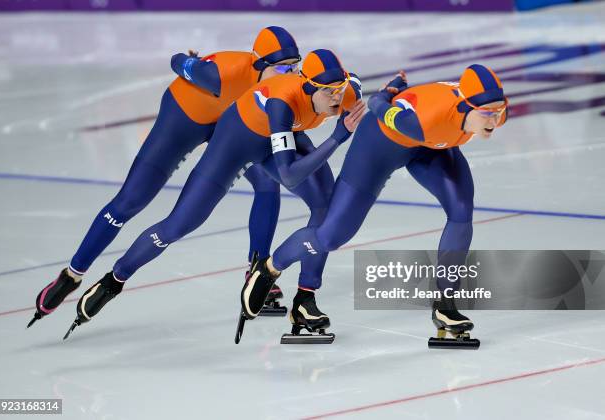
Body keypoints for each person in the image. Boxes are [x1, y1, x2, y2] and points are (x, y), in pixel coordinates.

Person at [63, 49, 366, 339]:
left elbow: (370, 103)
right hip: (235, 143)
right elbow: (289, 173)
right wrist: (338, 137)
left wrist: (390, 97)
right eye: (328, 91)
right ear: (308, 86)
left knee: (326, 207)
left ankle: (304, 298)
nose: (336, 97)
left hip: (277, 140)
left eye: (339, 88)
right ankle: (114, 279)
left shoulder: (345, 94)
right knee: (178, 225)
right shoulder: (281, 103)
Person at [28, 26, 302, 328]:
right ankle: (72, 274)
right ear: (260, 65)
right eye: (284, 68)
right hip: (185, 117)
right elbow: (176, 62)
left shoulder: (283, 86)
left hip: (228, 123)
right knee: (130, 201)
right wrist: (189, 63)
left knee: (267, 184)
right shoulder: (222, 73)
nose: (291, 73)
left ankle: (257, 272)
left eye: (295, 66)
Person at [244, 64, 508, 347]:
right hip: (380, 145)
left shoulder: (490, 113)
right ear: (466, 106)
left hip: (429, 146)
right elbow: (377, 104)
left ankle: (445, 306)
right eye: (487, 113)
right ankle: (269, 268)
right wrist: (388, 93)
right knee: (330, 236)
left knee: (461, 211)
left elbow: (464, 107)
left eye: (499, 110)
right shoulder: (422, 120)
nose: (495, 119)